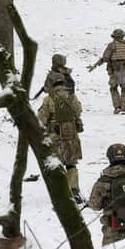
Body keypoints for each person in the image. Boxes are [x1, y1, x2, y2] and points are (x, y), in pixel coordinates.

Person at [38, 73, 85, 203]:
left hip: (55, 136)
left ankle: (60, 192)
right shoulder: (72, 96)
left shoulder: (48, 99)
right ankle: (74, 190)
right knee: (71, 164)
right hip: (71, 136)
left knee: (55, 164)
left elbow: (42, 118)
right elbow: (78, 111)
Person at [89, 29, 125, 114]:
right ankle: (123, 108)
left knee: (113, 88)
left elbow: (105, 58)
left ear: (114, 36)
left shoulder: (112, 45)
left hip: (114, 70)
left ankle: (117, 107)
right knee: (124, 89)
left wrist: (95, 65)